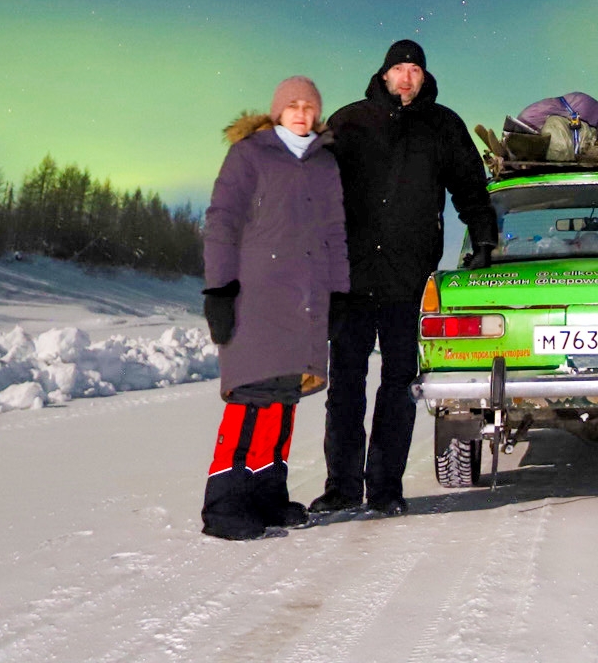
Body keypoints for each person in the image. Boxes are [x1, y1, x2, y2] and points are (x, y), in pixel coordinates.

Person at [310, 39, 498, 517]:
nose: (407, 77)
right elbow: (314, 188)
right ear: (385, 73)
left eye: (415, 68)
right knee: (346, 384)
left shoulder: (442, 125)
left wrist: (484, 241)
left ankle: (386, 488)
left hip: (408, 279)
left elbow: (471, 188)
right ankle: (343, 487)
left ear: (423, 76)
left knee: (399, 384)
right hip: (350, 277)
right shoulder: (349, 122)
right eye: (400, 68)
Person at [200, 75, 348, 540]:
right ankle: (224, 505)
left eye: (309, 106)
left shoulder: (325, 164)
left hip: (305, 300)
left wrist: (339, 293)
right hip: (256, 296)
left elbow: (336, 233)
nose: (301, 113)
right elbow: (222, 220)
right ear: (278, 111)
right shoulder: (250, 154)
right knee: (250, 397)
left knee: (283, 398)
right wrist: (219, 288)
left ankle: (267, 495)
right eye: (293, 105)